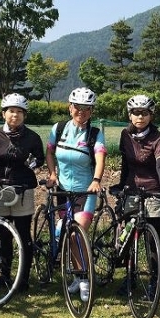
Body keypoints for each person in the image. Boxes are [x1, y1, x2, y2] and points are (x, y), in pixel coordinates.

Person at [0, 93, 45, 293]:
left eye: (19, 112)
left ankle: (23, 280)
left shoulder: (32, 137)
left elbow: (40, 158)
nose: (15, 115)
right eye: (11, 111)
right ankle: (5, 276)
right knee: (4, 235)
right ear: (3, 113)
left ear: (24, 115)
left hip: (23, 190)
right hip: (0, 189)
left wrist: (32, 162)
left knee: (24, 236)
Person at [45, 86, 107, 301]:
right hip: (63, 191)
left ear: (92, 111)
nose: (82, 112)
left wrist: (96, 180)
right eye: (78, 107)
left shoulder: (95, 134)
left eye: (87, 108)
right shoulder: (59, 128)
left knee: (76, 233)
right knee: (65, 232)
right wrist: (53, 174)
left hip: (85, 191)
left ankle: (84, 279)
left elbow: (100, 157)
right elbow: (50, 151)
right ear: (70, 108)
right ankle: (75, 277)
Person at [112, 95, 160, 297]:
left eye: (144, 113)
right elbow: (125, 164)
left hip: (153, 190)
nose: (140, 117)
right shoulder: (125, 135)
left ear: (151, 115)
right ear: (130, 115)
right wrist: (120, 185)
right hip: (130, 190)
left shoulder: (158, 138)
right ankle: (130, 278)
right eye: (136, 113)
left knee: (152, 241)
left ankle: (154, 282)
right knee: (128, 237)